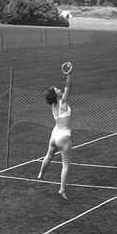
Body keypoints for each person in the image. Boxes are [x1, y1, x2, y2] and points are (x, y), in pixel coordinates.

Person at [37, 63, 73, 199]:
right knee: (65, 165)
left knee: (48, 155)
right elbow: (69, 86)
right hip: (64, 136)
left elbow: (64, 89)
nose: (59, 89)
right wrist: (69, 73)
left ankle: (40, 174)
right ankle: (62, 189)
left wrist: (61, 91)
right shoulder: (63, 102)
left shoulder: (53, 105)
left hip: (55, 134)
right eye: (57, 89)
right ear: (57, 95)